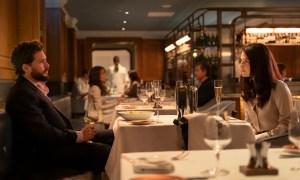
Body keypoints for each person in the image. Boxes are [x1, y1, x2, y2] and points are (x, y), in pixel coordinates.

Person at [5, 40, 114, 178]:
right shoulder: (22, 93)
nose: (47, 65)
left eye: (46, 60)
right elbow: (42, 133)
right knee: (105, 151)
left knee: (113, 134)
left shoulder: (32, 88)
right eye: (41, 62)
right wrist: (79, 136)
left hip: (58, 142)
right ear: (26, 68)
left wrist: (77, 134)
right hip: (44, 154)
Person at [239, 43, 293, 141]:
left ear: (259, 63)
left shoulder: (279, 88)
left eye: (246, 61)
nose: (241, 64)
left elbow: (287, 125)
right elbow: (250, 124)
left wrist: (259, 137)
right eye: (241, 60)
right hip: (257, 143)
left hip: (278, 143)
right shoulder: (247, 90)